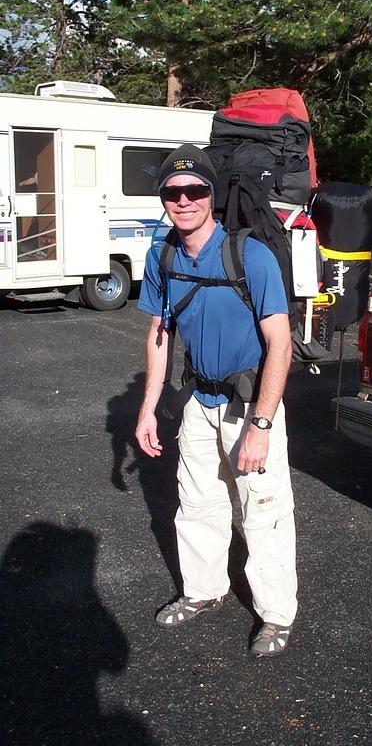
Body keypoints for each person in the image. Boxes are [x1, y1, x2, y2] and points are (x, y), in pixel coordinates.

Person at [135, 144, 297, 658]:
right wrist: (148, 407)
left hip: (250, 407)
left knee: (263, 510)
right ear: (163, 198)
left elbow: (281, 344)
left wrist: (261, 425)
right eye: (172, 192)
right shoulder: (161, 254)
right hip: (198, 402)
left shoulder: (250, 255)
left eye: (195, 190)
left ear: (212, 194)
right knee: (196, 501)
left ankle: (276, 615)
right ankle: (203, 591)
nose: (184, 200)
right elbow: (159, 334)